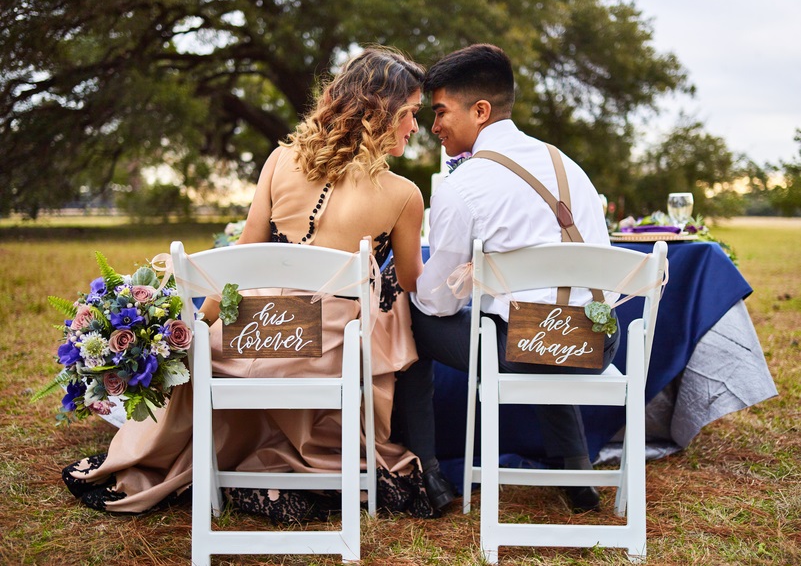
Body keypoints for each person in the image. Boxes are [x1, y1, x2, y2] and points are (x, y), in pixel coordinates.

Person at [62, 46, 443, 520]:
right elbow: (411, 280)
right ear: (379, 113)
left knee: (261, 346)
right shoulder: (404, 196)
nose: (414, 126)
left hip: (251, 339)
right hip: (324, 353)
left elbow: (239, 259)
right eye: (409, 114)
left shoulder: (280, 162)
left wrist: (197, 330)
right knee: (389, 317)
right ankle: (301, 455)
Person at [394, 44, 620, 513]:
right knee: (544, 322)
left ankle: (426, 474)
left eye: (440, 113)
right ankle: (577, 476)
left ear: (480, 111)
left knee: (409, 316)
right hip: (597, 343)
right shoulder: (567, 165)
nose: (433, 127)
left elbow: (438, 304)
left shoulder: (465, 186)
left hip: (526, 350)